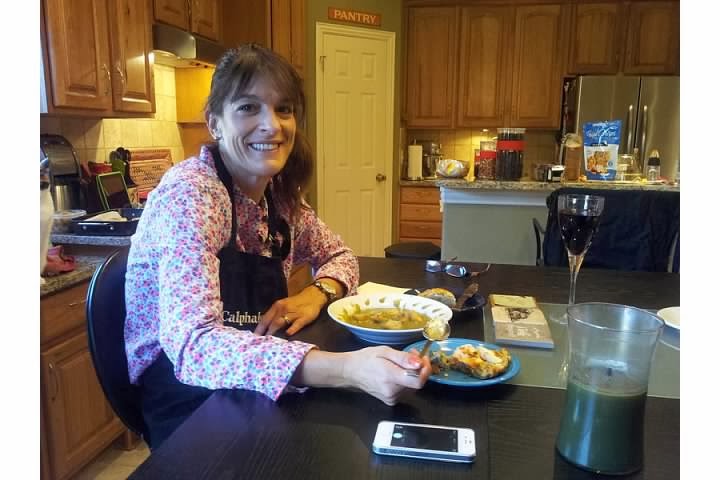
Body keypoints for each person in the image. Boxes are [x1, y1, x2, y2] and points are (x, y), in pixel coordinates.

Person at [124, 44, 431, 449]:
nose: (272, 125)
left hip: (254, 374)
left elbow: (340, 256)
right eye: (248, 108)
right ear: (215, 122)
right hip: (187, 394)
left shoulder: (279, 198)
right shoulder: (191, 195)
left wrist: (317, 293)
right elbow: (194, 346)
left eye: (283, 109)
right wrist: (346, 370)